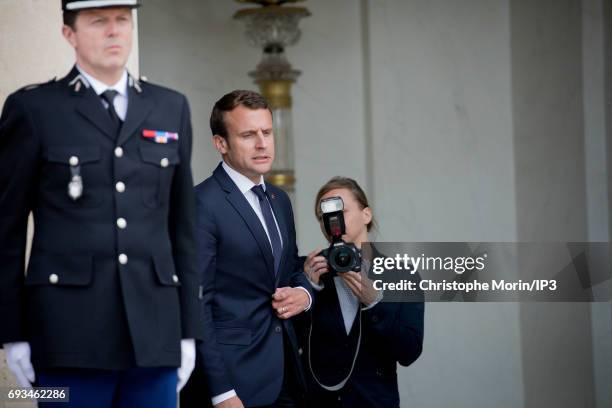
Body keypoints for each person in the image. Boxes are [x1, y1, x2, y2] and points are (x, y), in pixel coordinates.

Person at [0, 1, 202, 406]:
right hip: (66, 336)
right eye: (98, 22)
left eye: (122, 21)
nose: (114, 32)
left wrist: (188, 330)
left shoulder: (170, 106)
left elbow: (183, 228)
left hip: (155, 335)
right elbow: (5, 231)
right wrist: (11, 331)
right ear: (69, 35)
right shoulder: (35, 109)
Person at [181, 90, 313, 408]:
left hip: (286, 374)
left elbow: (289, 267)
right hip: (232, 384)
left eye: (267, 132)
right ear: (221, 143)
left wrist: (304, 293)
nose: (262, 143)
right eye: (248, 135)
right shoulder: (201, 204)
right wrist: (222, 392)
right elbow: (196, 304)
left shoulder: (280, 200)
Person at [300, 177, 424, 408]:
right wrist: (308, 290)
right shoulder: (305, 271)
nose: (332, 221)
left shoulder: (402, 274)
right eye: (323, 216)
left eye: (341, 211)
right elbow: (286, 344)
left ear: (366, 215)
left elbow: (409, 352)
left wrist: (375, 304)